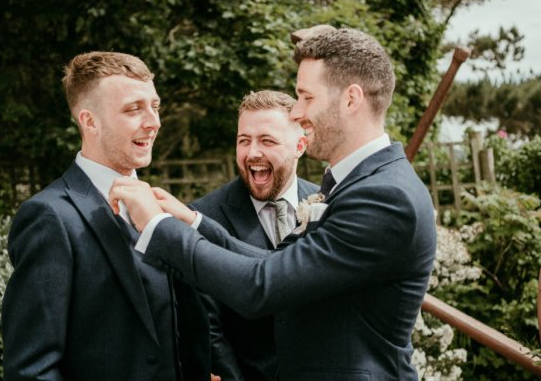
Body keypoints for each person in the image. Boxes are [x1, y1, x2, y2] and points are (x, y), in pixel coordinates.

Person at [110, 27, 437, 380]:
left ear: (351, 99)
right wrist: (194, 223)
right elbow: (282, 265)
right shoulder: (364, 183)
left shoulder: (385, 197)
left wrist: (159, 228)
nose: (296, 112)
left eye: (306, 97)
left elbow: (261, 286)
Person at [1, 51, 211, 381]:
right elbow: (31, 368)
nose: (154, 121)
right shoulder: (50, 217)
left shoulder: (163, 206)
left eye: (154, 106)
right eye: (133, 109)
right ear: (89, 121)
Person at [191, 90, 319, 381]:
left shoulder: (328, 204)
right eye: (243, 141)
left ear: (300, 145)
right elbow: (207, 326)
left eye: (267, 140)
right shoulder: (204, 216)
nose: (252, 153)